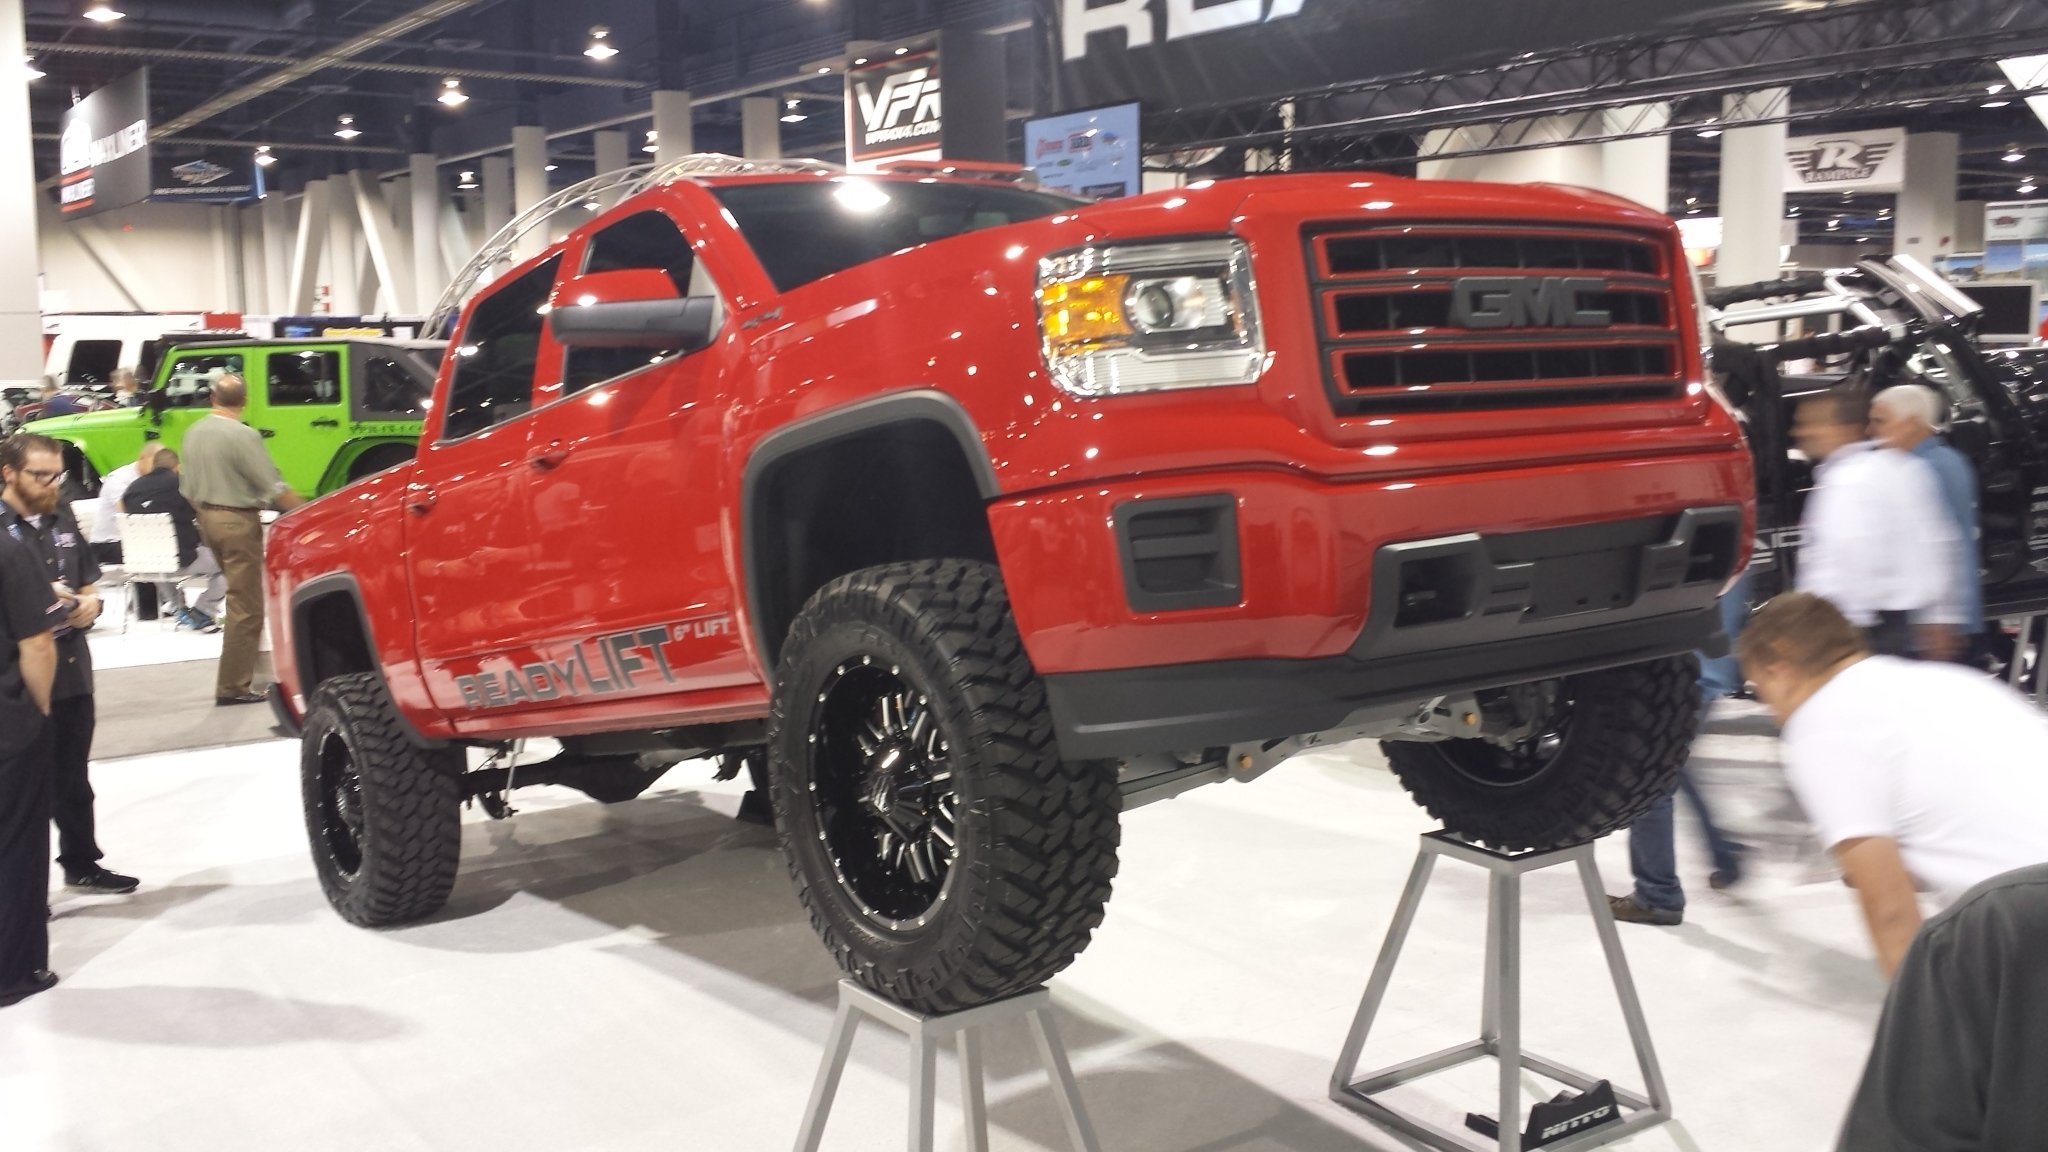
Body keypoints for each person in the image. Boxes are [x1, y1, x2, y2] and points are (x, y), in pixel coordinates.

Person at [1737, 592, 2048, 973]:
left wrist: (1917, 1006)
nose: (1772, 710)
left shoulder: (1823, 725)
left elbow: (1891, 914)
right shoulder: (1949, 682)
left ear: (1779, 668)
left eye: (1761, 689)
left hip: (2026, 921)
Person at [0, 433, 137, 895]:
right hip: (18, 679)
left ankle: (81, 863)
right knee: (21, 792)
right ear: (9, 474)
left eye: (56, 475)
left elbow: (88, 583)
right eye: (40, 476)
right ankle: (23, 892)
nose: (51, 484)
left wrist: (89, 604)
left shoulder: (61, 518)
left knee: (73, 779)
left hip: (71, 669)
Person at [1608, 570, 1751, 925]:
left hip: (1686, 678)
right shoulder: (1731, 551)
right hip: (1698, 675)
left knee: (1650, 779)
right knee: (1672, 772)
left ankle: (1658, 895)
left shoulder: (1704, 554)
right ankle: (1724, 854)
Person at [1791, 390, 1961, 658]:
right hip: (1884, 625)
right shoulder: (1900, 468)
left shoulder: (1848, 481)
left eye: (1810, 424)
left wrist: (1817, 630)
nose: (1800, 432)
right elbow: (1937, 544)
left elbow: (1843, 563)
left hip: (1855, 629)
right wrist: (1940, 614)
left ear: (1844, 429)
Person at [177, 376, 303, 705]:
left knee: (239, 600)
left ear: (212, 398)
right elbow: (271, 484)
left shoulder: (193, 433)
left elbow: (186, 486)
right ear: (244, 401)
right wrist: (306, 511)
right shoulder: (243, 435)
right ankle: (233, 686)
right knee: (246, 606)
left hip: (206, 519)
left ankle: (245, 677)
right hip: (236, 520)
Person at [1868, 384, 1983, 664]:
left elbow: (1939, 550)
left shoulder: (1929, 468)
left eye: (1879, 421)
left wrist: (1937, 620)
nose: (1870, 431)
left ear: (1910, 423)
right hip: (1930, 625)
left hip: (1930, 631)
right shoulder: (1942, 461)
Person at [0, 532, 60, 1007]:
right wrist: (38, 708)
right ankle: (14, 971)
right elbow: (38, 643)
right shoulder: (10, 551)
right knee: (16, 847)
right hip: (8, 725)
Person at [123, 448, 225, 633]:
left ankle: (179, 609)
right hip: (182, 560)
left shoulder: (132, 489)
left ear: (154, 465)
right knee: (231, 562)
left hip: (146, 562)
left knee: (161, 556)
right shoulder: (182, 484)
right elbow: (202, 512)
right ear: (177, 467)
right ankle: (203, 610)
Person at [86, 442, 158, 567]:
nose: (156, 469)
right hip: (108, 543)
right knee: (157, 551)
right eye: (154, 463)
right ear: (142, 457)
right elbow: (127, 513)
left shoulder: (153, 479)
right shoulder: (119, 479)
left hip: (133, 540)